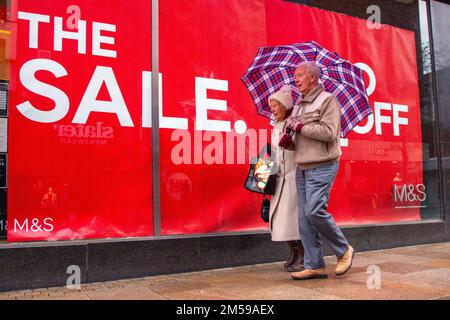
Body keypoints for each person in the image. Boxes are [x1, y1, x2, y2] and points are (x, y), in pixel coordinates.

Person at [279, 61, 355, 280]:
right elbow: (302, 137)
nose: (296, 79)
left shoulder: (328, 100)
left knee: (314, 211)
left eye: (300, 75)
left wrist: (300, 127)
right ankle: (315, 265)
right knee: (304, 219)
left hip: (323, 164)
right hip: (302, 166)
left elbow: (329, 132)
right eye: (295, 75)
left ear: (313, 77)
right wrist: (289, 141)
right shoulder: (299, 106)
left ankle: (344, 250)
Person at [267, 85, 304, 272]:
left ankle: (301, 255)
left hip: (292, 177)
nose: (272, 109)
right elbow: (274, 151)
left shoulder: (293, 123)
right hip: (279, 178)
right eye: (271, 105)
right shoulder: (275, 125)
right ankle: (293, 252)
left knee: (292, 220)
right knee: (280, 220)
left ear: (285, 105)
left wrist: (290, 143)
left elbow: (300, 148)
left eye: (275, 105)